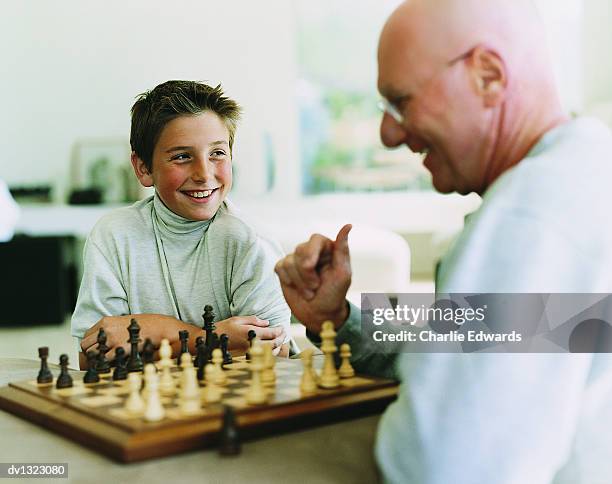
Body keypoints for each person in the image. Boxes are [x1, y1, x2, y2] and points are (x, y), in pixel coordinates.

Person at [275, 0, 612, 482]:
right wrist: (340, 319)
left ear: (488, 76)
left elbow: (442, 466)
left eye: (401, 101)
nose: (388, 133)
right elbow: (481, 333)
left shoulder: (530, 216)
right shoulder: (584, 171)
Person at [72, 80, 290, 369]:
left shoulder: (250, 240)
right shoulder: (113, 235)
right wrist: (212, 337)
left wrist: (158, 334)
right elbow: (92, 358)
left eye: (217, 153)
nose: (203, 173)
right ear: (143, 168)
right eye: (182, 157)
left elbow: (273, 354)